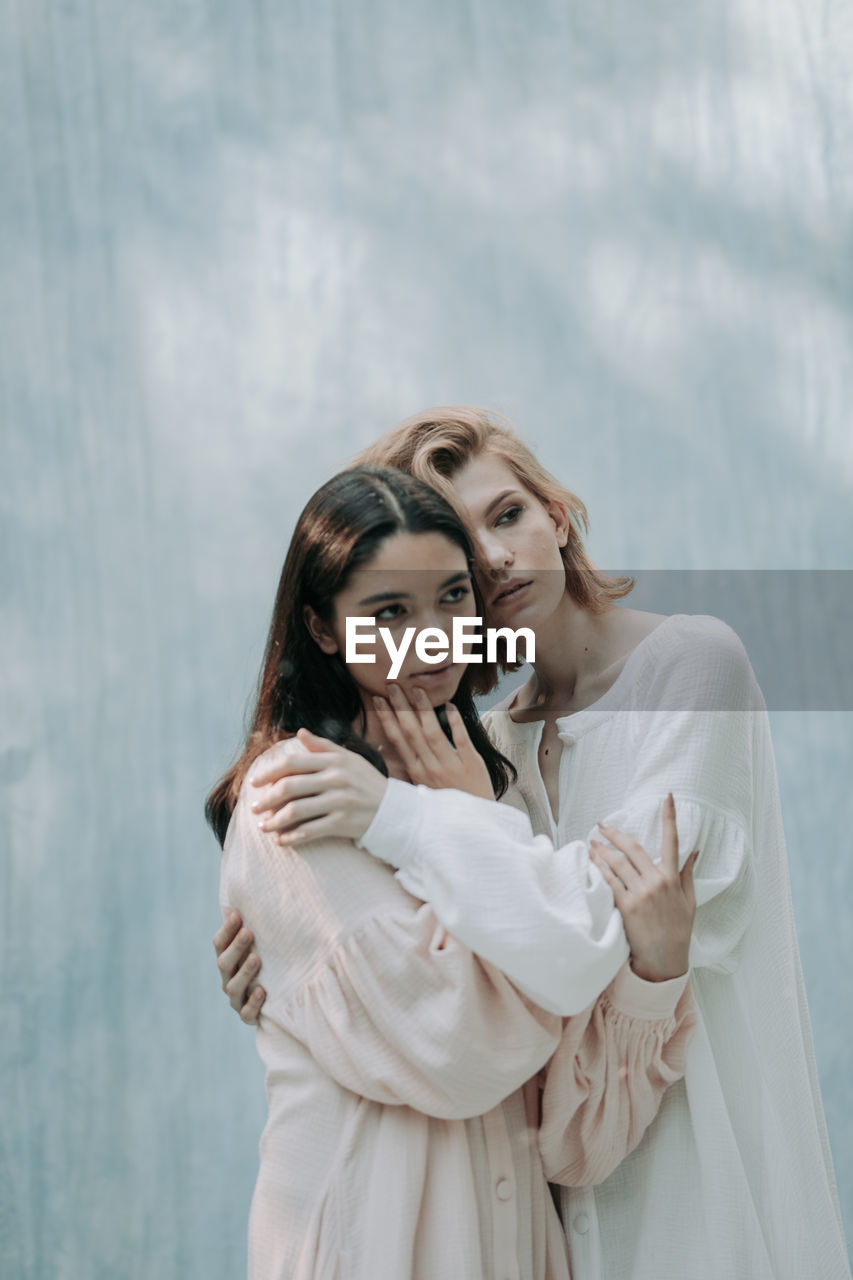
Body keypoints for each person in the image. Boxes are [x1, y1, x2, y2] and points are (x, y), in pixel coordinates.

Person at [220, 408, 851, 1280]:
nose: (497, 559)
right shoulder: (486, 754)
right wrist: (302, 972)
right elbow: (530, 975)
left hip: (691, 1176)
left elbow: (572, 937)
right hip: (542, 1215)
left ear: (557, 513)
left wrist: (409, 821)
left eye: (509, 514)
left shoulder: (691, 669)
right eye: (461, 555)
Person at [208, 463, 697, 1280]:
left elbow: (574, 1137)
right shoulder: (292, 793)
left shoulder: (481, 783)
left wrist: (651, 973)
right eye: (389, 611)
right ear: (324, 628)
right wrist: (562, 931)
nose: (433, 635)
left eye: (452, 596)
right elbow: (464, 1046)